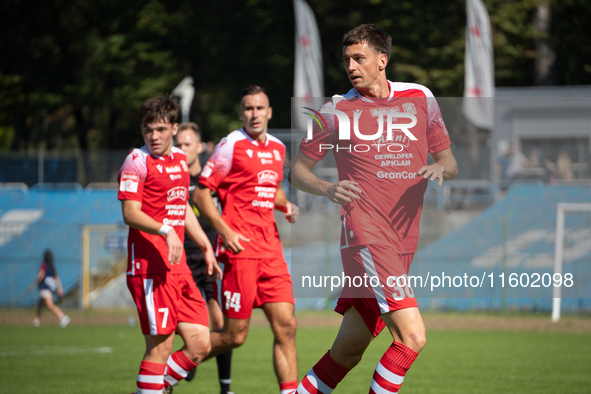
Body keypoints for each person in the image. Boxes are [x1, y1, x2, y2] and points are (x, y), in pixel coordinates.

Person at [289, 24, 458, 393]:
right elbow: (298, 172)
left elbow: (450, 161)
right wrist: (327, 187)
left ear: (382, 60)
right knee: (411, 337)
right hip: (366, 236)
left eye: (359, 58)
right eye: (346, 59)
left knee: (347, 352)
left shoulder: (421, 97)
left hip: (402, 242)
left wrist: (439, 167)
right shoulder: (334, 110)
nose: (350, 66)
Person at [192, 85, 300, 394]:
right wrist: (225, 231)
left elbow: (271, 188)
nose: (254, 114)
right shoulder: (230, 146)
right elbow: (201, 194)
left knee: (287, 326)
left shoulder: (278, 148)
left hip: (271, 251)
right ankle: (175, 365)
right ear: (241, 113)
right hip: (240, 251)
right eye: (248, 109)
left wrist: (285, 205)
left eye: (259, 108)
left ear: (269, 112)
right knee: (235, 336)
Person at [118, 97, 222, 394]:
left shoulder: (179, 159)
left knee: (200, 343)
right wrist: (166, 230)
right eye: (148, 129)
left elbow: (182, 206)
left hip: (178, 269)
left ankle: (153, 388)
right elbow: (130, 213)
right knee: (159, 349)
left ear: (174, 128)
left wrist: (204, 244)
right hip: (149, 269)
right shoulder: (136, 162)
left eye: (161, 129)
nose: (154, 136)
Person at [176, 122, 235, 394]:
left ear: (200, 148)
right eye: (179, 144)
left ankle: (225, 388)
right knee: (184, 330)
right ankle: (180, 365)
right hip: (180, 262)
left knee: (222, 326)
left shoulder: (212, 180)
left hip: (212, 261)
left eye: (187, 144)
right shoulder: (173, 180)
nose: (182, 149)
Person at [28, 249, 70, 327]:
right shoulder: (51, 266)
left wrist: (33, 284)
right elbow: (56, 277)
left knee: (49, 304)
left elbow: (41, 275)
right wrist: (60, 287)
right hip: (50, 287)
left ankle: (62, 317)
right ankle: (37, 319)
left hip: (45, 287)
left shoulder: (44, 264)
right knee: (40, 302)